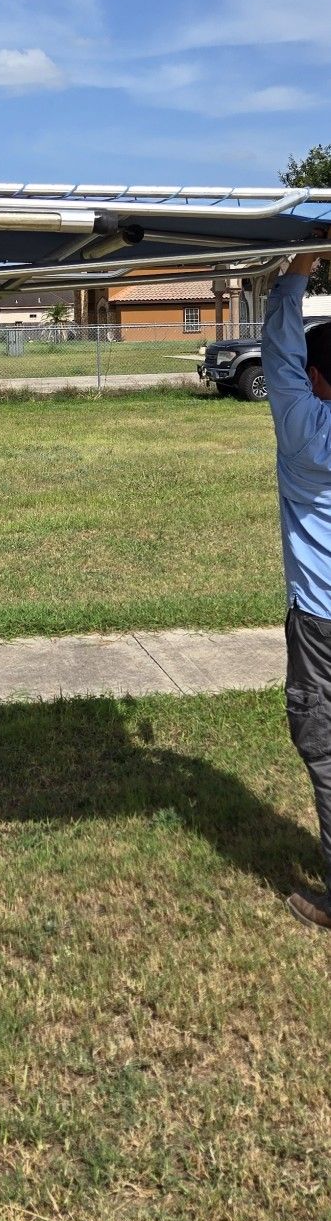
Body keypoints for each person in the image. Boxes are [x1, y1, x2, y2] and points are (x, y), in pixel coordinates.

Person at [261, 245, 331, 926]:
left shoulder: (307, 433)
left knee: (324, 746)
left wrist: (301, 265)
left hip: (320, 624)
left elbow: (278, 353)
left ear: (316, 378)